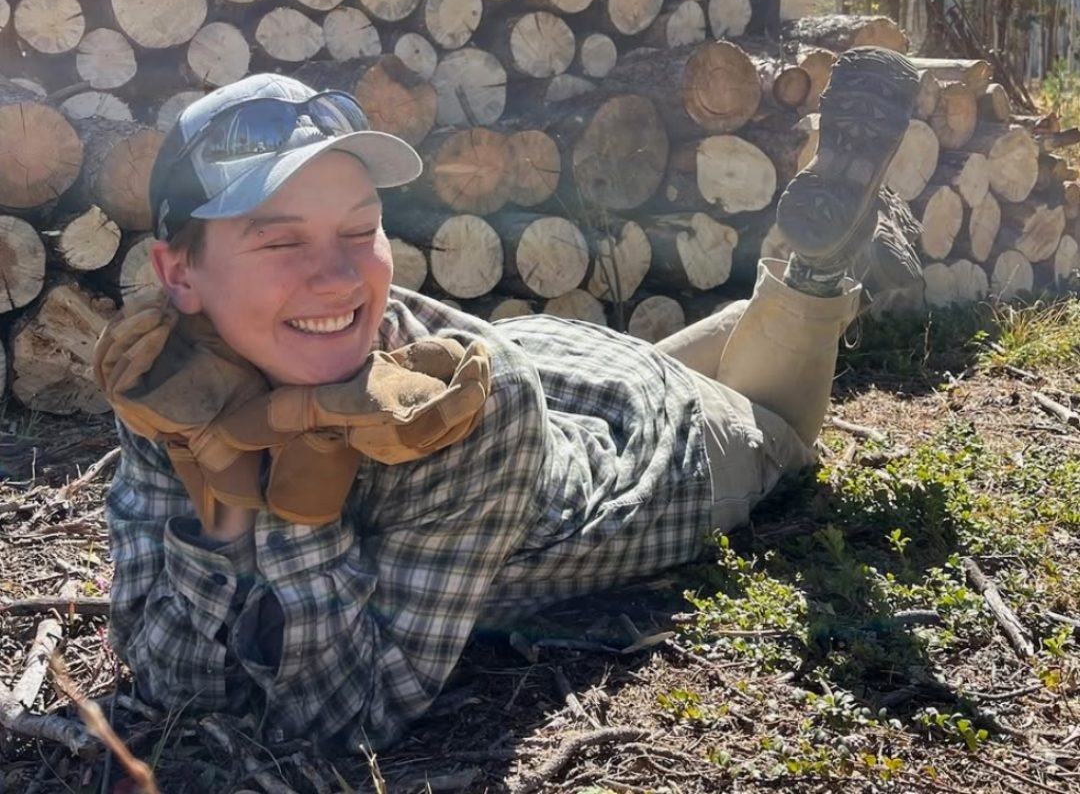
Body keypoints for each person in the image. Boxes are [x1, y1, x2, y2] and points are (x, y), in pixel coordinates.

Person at [99, 48, 920, 749]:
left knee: (778, 432)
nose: (343, 277)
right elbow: (161, 667)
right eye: (281, 240)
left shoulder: (464, 412)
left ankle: (820, 274)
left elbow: (345, 712)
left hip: (657, 443)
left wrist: (293, 497)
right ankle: (827, 280)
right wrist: (221, 500)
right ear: (179, 275)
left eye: (359, 230)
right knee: (724, 359)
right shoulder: (168, 383)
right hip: (565, 358)